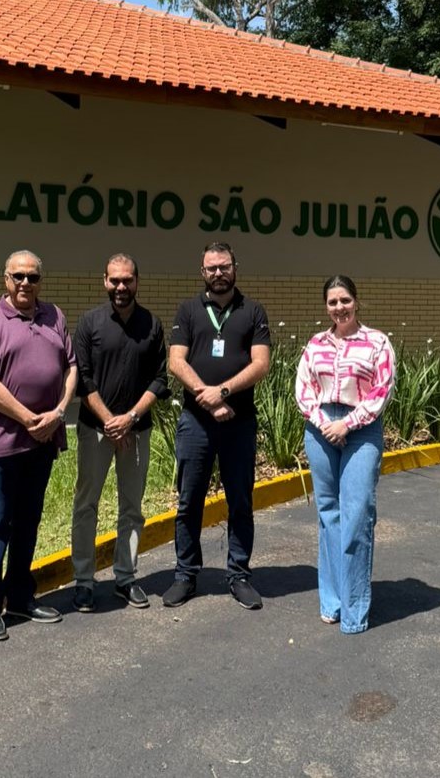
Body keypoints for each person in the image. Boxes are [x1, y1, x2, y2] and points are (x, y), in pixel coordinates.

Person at [0, 250, 77, 641]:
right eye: (18, 276)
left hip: (43, 441)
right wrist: (29, 418)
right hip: (5, 443)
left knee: (29, 520)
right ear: (6, 279)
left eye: (33, 277)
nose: (25, 283)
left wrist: (58, 413)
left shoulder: (55, 316)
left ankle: (19, 597)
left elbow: (71, 367)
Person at [166, 241, 271, 609]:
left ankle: (239, 574)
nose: (218, 273)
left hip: (239, 423)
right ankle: (185, 574)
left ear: (235, 267)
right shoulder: (189, 310)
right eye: (211, 268)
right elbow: (175, 361)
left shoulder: (253, 311)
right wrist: (207, 398)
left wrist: (222, 391)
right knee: (188, 500)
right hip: (195, 423)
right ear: (202, 271)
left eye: (224, 266)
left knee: (240, 500)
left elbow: (261, 364)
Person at [295, 275, 396, 634]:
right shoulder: (315, 344)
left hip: (361, 429)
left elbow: (382, 390)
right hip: (321, 427)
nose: (339, 307)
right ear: (326, 306)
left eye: (345, 300)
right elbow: (304, 388)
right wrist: (325, 423)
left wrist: (347, 424)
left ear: (356, 301)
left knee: (357, 516)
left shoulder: (377, 342)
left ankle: (354, 610)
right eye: (333, 302)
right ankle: (332, 601)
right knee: (329, 514)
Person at [70, 253, 169, 612]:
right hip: (95, 430)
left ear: (137, 281)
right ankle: (84, 580)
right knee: (86, 504)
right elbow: (82, 378)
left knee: (132, 507)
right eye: (114, 280)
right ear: (105, 281)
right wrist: (111, 421)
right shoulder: (89, 323)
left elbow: (160, 378)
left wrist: (129, 418)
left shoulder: (152, 324)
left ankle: (125, 577)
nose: (121, 287)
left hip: (136, 430)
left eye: (127, 280)